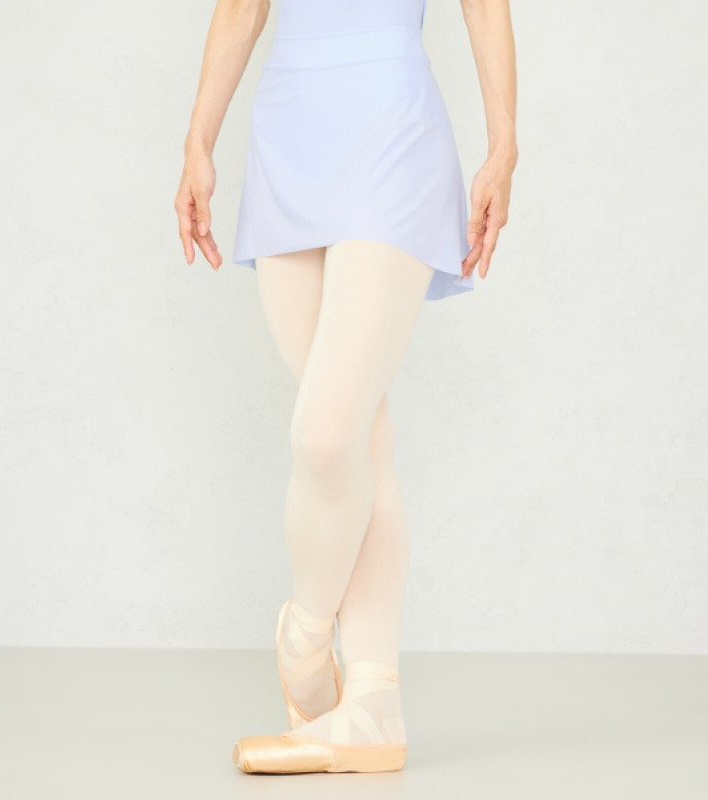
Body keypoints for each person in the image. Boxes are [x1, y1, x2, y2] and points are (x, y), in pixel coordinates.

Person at [174, 0, 517, 775]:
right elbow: (242, 8)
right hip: (289, 126)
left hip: (392, 120)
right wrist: (198, 140)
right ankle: (371, 705)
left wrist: (504, 144)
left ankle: (303, 634)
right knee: (362, 435)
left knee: (326, 436)